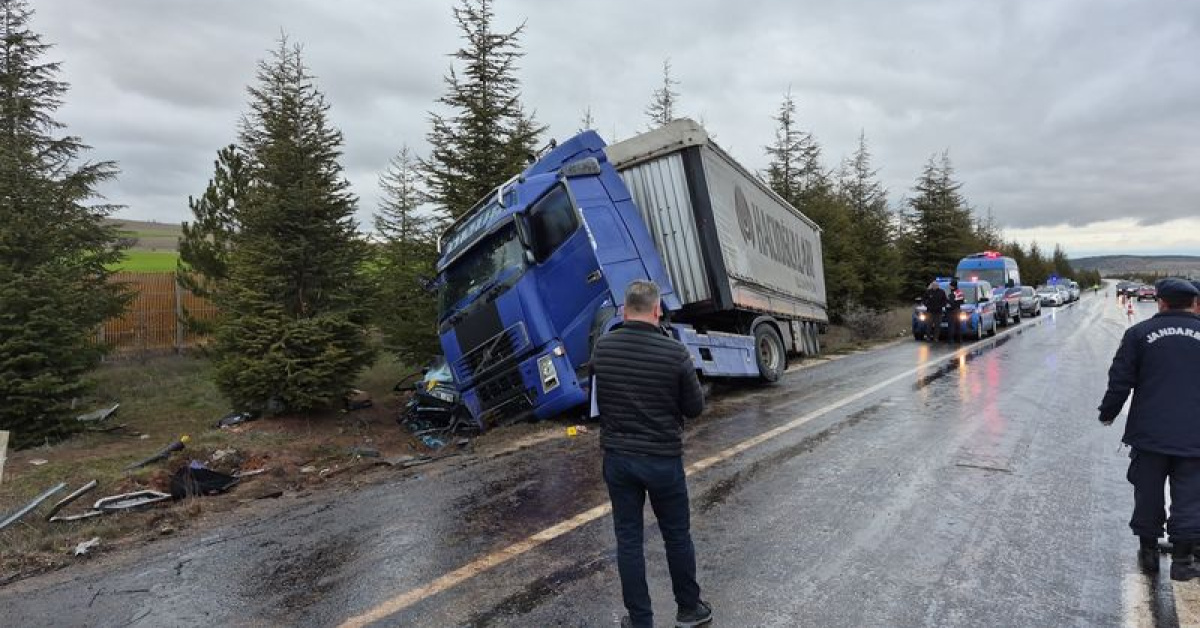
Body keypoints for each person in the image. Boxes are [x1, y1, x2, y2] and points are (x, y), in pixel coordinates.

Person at [592, 280, 712, 628]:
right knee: (676, 534)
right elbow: (694, 409)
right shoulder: (674, 352)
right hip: (662, 458)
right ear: (657, 310)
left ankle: (641, 620)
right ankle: (689, 610)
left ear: (624, 310)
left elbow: (600, 398)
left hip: (618, 459)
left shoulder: (603, 348)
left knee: (628, 539)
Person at [1098, 278, 1200, 580]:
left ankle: (1149, 553)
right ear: (1193, 303)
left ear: (1162, 302)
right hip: (1194, 434)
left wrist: (1108, 413)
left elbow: (1120, 380)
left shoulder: (1139, 334)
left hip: (1150, 433)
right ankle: (1182, 561)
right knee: (1190, 494)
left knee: (1148, 492)